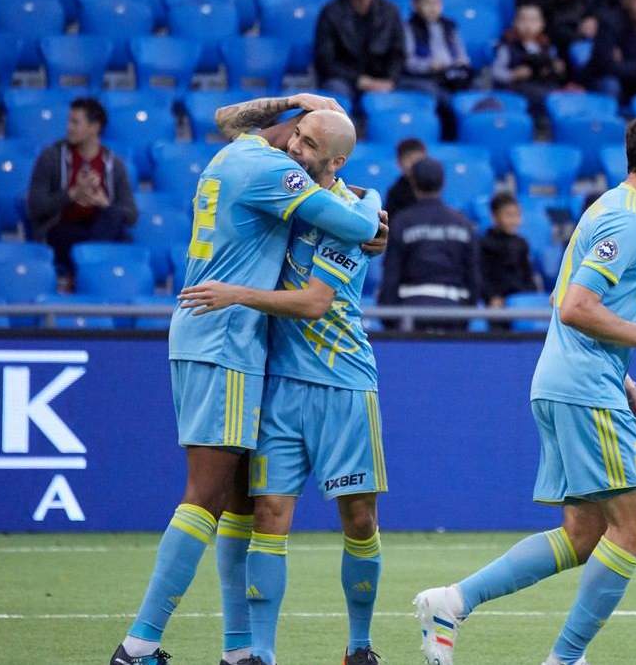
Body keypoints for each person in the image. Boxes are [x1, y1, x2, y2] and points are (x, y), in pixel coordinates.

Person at [413, 107, 636, 665]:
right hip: (582, 388)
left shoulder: (608, 208)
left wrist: (622, 373)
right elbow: (574, 307)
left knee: (583, 533)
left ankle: (452, 601)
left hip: (571, 381)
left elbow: (561, 298)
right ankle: (564, 659)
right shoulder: (629, 221)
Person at [109, 97, 384, 665]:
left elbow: (230, 120)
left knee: (238, 499)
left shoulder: (237, 154)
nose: (295, 146)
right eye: (297, 133)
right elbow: (358, 225)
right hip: (225, 339)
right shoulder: (274, 173)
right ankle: (139, 645)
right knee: (207, 495)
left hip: (228, 342)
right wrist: (372, 205)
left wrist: (355, 195)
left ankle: (241, 651)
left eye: (309, 141)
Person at [27, 97, 137, 274]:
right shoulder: (51, 157)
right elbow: (35, 207)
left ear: (94, 127)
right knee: (72, 237)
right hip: (62, 228)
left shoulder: (114, 164)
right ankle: (92, 270)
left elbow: (131, 215)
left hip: (101, 229)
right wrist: (72, 194)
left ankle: (87, 269)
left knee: (115, 222)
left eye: (75, 122)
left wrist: (104, 203)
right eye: (69, 121)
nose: (68, 127)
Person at [378, 157, 480, 331]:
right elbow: (474, 277)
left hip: (410, 312)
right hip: (454, 312)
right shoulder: (463, 223)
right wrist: (466, 316)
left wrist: (390, 321)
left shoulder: (402, 221)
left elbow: (391, 275)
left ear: (413, 182)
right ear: (443, 183)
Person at [315, 0, 406, 100]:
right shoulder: (331, 12)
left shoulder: (390, 11)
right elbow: (325, 61)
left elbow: (398, 54)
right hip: (344, 79)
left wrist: (390, 80)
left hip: (380, 79)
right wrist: (358, 80)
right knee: (337, 91)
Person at [491, 4, 568, 119]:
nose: (528, 25)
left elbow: (555, 67)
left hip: (545, 86)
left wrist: (556, 69)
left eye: (533, 20)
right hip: (518, 89)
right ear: (515, 23)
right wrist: (513, 75)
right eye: (523, 20)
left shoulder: (547, 47)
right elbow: (496, 71)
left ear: (542, 24)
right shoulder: (508, 47)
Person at [481, 191, 540, 328]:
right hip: (497, 304)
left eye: (517, 215)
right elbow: (482, 276)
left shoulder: (521, 244)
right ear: (494, 217)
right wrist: (491, 297)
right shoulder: (484, 244)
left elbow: (528, 276)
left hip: (521, 301)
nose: (514, 220)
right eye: (508, 215)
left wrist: (529, 297)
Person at [401, 0, 473, 98]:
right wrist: (429, 65)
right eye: (427, 3)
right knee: (441, 95)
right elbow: (408, 62)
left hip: (450, 73)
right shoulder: (408, 28)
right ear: (415, 4)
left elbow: (462, 55)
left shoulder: (450, 26)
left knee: (477, 86)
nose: (433, 7)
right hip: (424, 77)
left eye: (436, 3)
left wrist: (461, 62)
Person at [518, 0, 608, 61]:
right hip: (556, 36)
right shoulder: (547, 0)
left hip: (584, 37)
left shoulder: (587, 0)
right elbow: (534, 9)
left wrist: (593, 19)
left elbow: (601, 9)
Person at [385, 137, 427, 219]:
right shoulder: (395, 193)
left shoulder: (431, 185)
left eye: (418, 160)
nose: (414, 165)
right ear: (399, 162)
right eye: (410, 159)